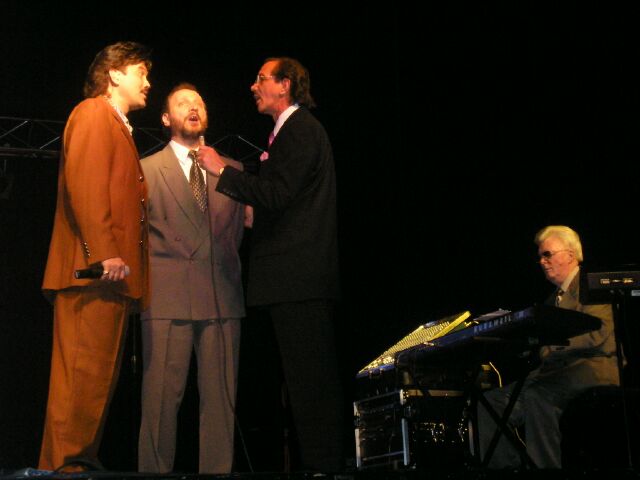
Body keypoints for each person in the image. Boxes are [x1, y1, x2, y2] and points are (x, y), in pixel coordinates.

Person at [197, 57, 343, 472]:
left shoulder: (300, 130)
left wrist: (222, 170)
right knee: (303, 383)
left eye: (261, 79)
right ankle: (320, 464)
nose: (253, 86)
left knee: (310, 384)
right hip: (295, 280)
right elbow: (286, 197)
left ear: (285, 85)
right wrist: (256, 209)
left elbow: (278, 193)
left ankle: (325, 466)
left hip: (299, 280)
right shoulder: (289, 132)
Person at [39, 41, 152, 471]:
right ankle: (64, 467)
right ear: (115, 73)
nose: (148, 82)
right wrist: (104, 253)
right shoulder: (92, 113)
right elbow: (84, 184)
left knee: (94, 385)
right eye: (141, 72)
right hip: (93, 274)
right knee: (79, 382)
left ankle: (77, 463)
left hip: (111, 279)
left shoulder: (117, 124)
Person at [137, 83, 245, 474]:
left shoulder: (232, 170)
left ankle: (217, 472)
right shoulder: (146, 169)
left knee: (221, 403)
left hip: (221, 293)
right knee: (161, 401)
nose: (193, 107)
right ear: (166, 118)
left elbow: (236, 234)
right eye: (183, 103)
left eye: (199, 102)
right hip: (167, 296)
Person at [477, 225, 620, 468]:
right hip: (556, 371)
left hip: (593, 367)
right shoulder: (553, 299)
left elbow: (599, 333)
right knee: (490, 403)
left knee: (538, 396)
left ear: (570, 255)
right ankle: (505, 470)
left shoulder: (591, 285)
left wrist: (551, 348)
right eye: (540, 256)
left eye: (547, 254)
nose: (542, 261)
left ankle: (545, 470)